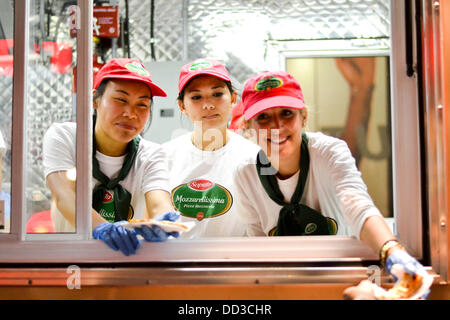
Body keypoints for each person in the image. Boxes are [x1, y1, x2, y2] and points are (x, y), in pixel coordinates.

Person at [233, 70, 428, 293]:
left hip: (346, 273)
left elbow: (357, 204)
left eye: (287, 113)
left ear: (303, 117)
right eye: (263, 117)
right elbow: (258, 243)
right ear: (248, 126)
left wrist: (392, 252)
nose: (277, 125)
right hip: (286, 281)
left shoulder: (329, 152)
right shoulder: (245, 174)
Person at [43, 58, 180, 256]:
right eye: (121, 100)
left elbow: (159, 200)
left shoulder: (151, 154)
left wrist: (164, 222)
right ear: (95, 100)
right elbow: (64, 196)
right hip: (71, 260)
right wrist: (102, 227)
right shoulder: (65, 137)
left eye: (142, 105)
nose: (131, 113)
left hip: (129, 261)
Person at [163, 58, 260, 238]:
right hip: (175, 262)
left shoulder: (254, 158)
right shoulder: (163, 156)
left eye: (217, 94)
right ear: (182, 106)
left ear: (233, 98)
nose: (208, 104)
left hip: (233, 263)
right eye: (196, 97)